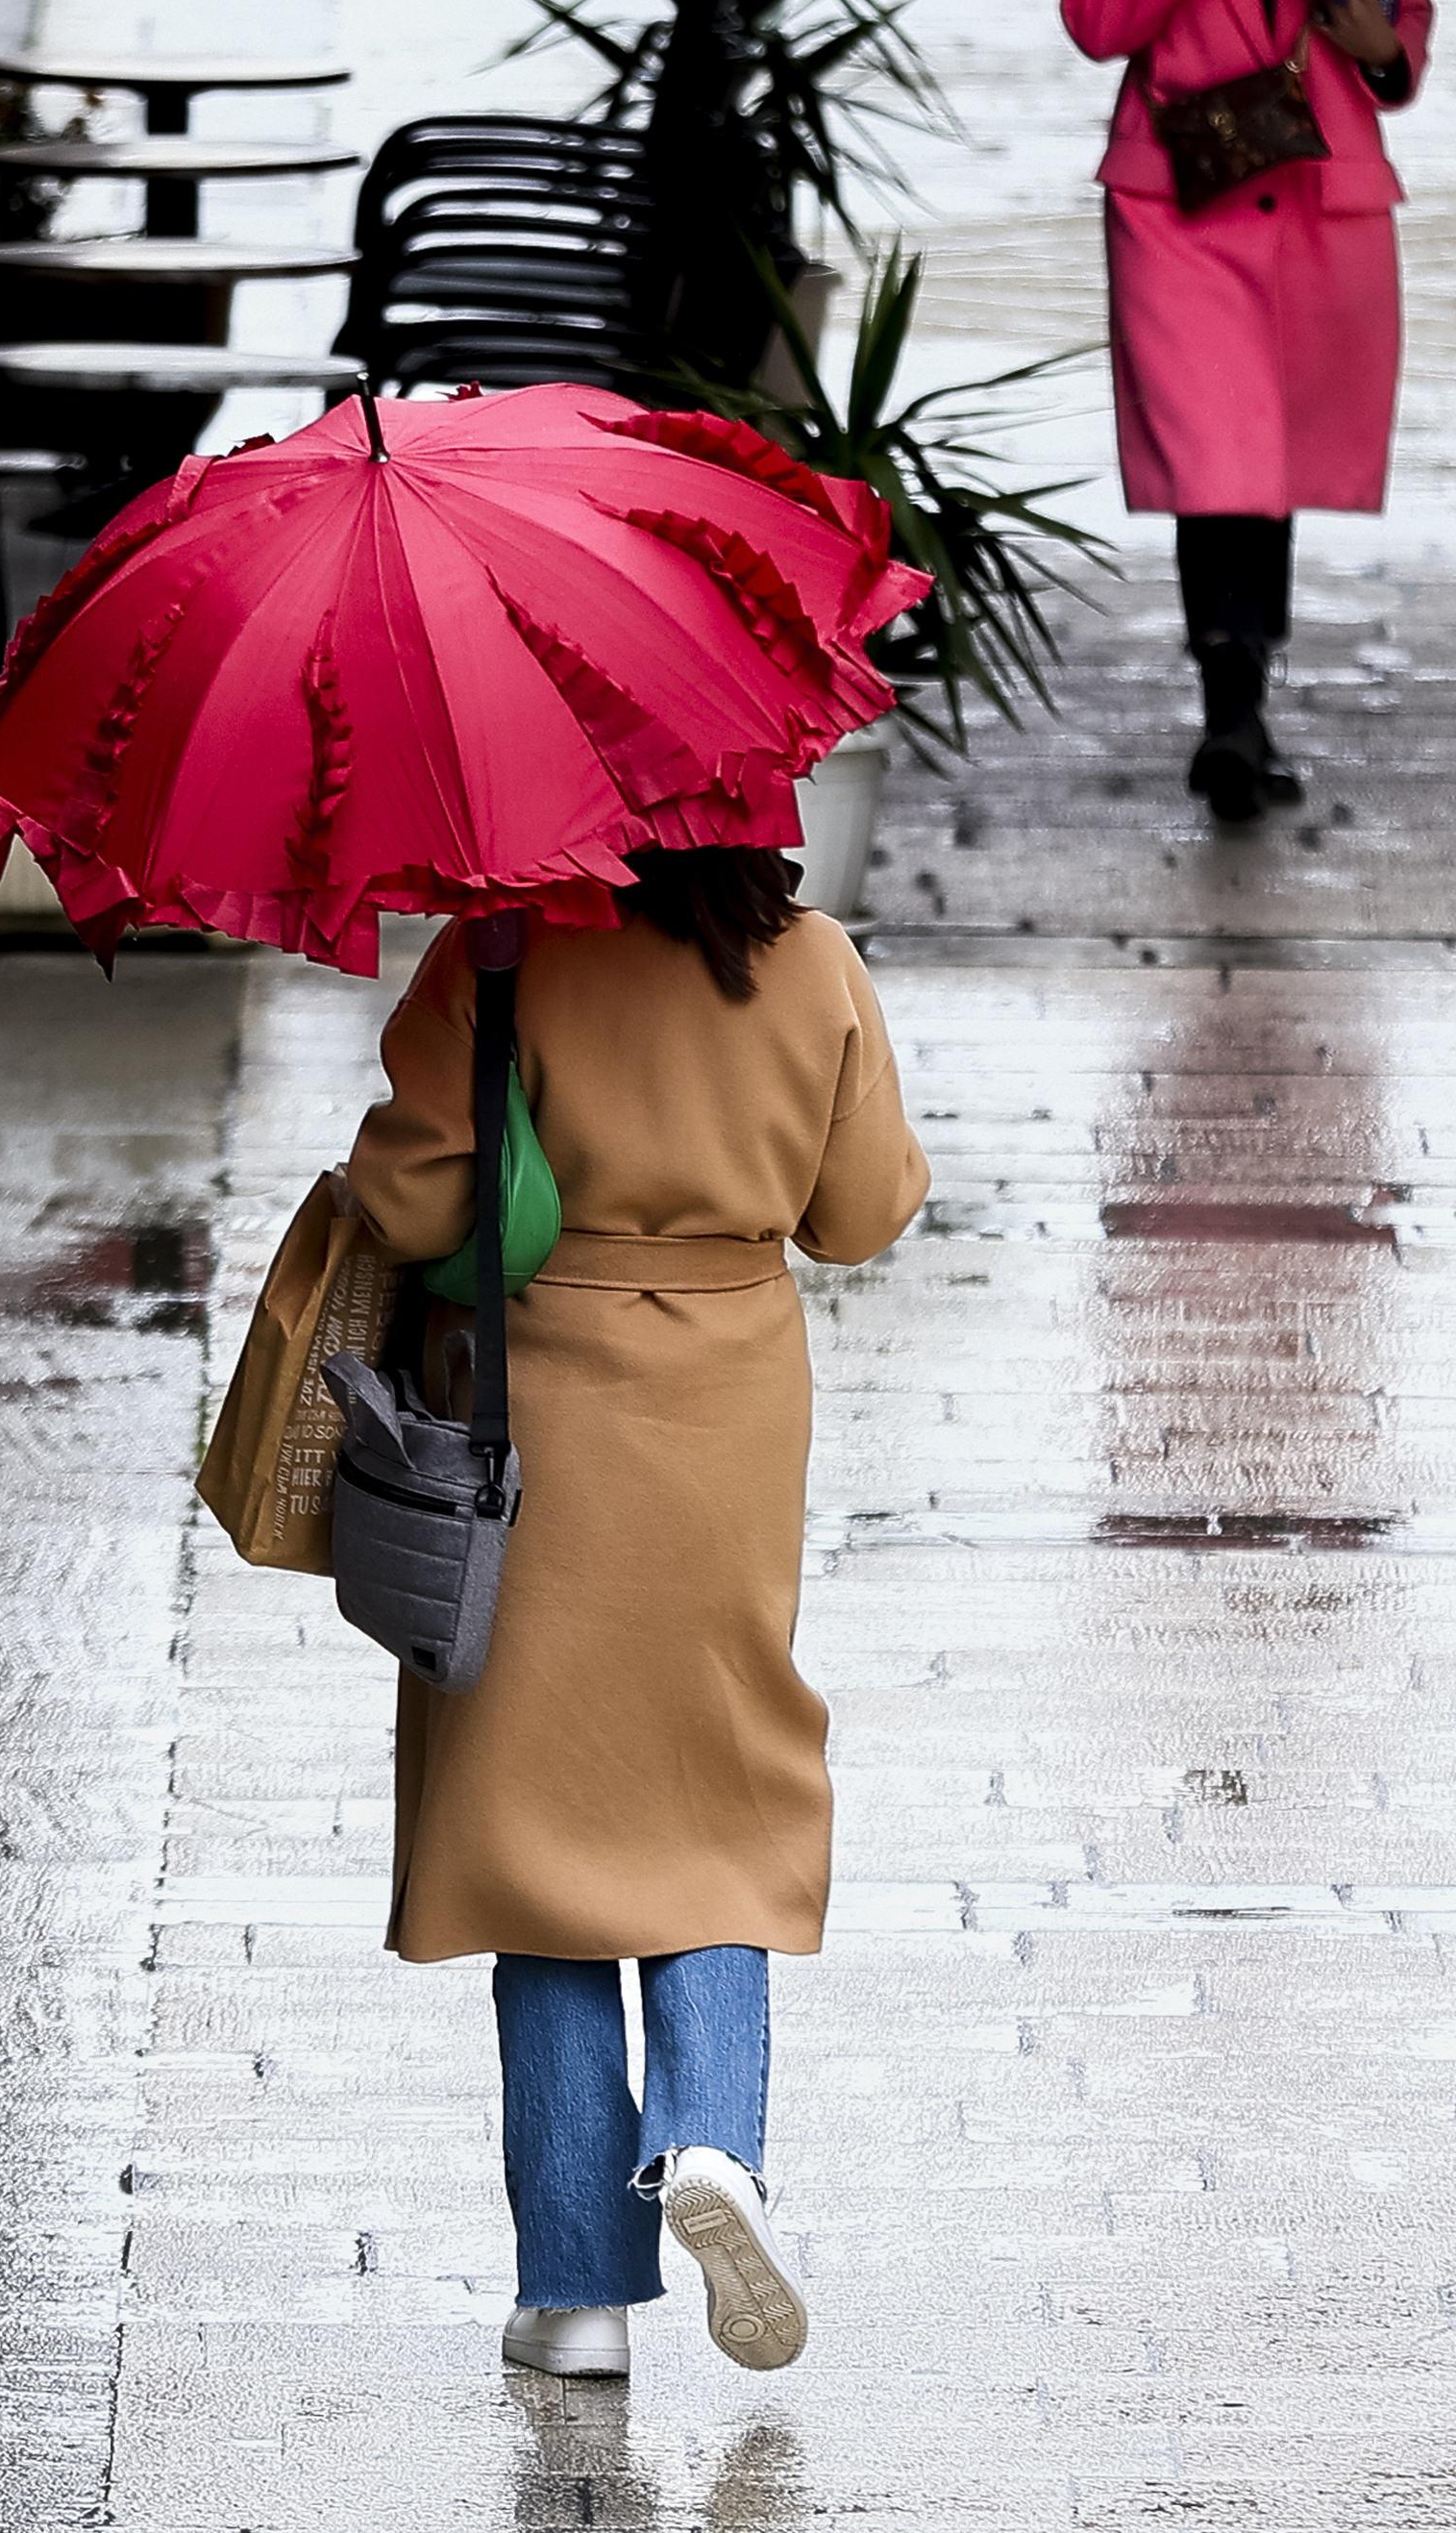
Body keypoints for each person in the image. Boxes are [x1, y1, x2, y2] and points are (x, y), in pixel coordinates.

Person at [342, 848, 930, 2377]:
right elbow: (861, 1216)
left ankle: (578, 2297)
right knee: (716, 1797)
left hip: (536, 1417)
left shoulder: (507, 952)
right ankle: (712, 2139)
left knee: (535, 1839)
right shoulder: (810, 961)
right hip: (729, 1412)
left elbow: (407, 1203)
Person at [1063, 0, 1435, 822]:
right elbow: (1094, 19)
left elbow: (1403, 14)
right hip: (1178, 202)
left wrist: (1386, 53)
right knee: (1217, 458)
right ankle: (1231, 706)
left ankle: (1243, 705)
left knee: (1267, 462)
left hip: (1318, 196)